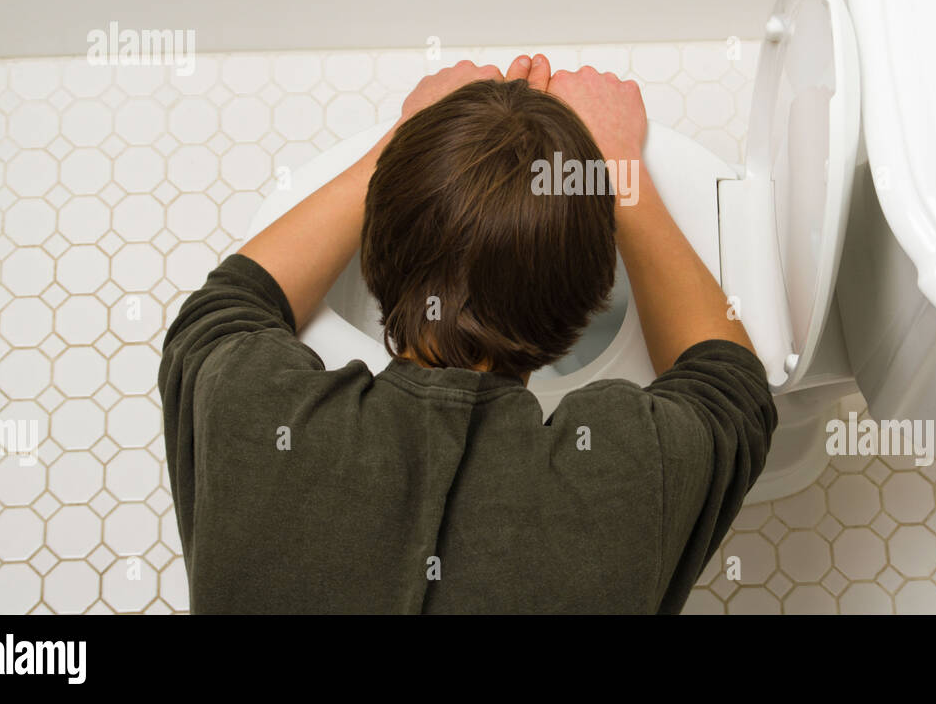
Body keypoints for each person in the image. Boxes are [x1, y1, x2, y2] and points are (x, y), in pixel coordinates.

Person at [158, 53, 777, 613]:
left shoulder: (243, 407)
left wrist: (398, 149)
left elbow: (226, 306)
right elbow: (733, 389)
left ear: (374, 265)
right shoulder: (633, 482)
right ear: (590, 304)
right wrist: (621, 175)